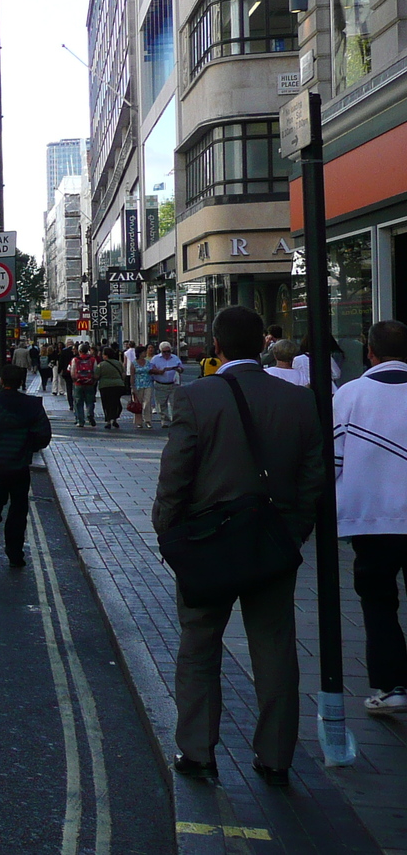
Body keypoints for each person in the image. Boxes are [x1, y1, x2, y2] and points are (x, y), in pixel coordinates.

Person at [153, 305, 323, 786]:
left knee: (200, 646)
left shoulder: (197, 397)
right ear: (264, 345)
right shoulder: (300, 401)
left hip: (208, 545)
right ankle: (275, 758)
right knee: (274, 649)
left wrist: (167, 531)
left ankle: (197, 752)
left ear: (216, 346)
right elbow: (314, 478)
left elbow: (175, 475)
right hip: (271, 543)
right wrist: (294, 532)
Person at [332, 319, 407, 716]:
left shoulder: (350, 394)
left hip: (371, 519)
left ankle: (393, 687)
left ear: (370, 353)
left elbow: (335, 460)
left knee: (379, 604)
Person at [0, 363, 52, 571]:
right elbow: (44, 436)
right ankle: (15, 554)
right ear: (21, 382)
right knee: (18, 511)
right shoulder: (33, 405)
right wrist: (27, 449)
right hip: (19, 468)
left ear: (1, 381)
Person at [147, 341, 185, 425]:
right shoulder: (155, 359)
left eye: (168, 351)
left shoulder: (175, 358)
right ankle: (165, 420)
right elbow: (150, 370)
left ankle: (173, 420)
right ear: (161, 351)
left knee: (174, 403)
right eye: (164, 352)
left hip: (173, 384)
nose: (167, 353)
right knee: (161, 404)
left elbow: (181, 368)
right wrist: (159, 371)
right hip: (160, 384)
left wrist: (178, 369)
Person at [96, 346, 126, 430]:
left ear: (106, 355)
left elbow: (96, 376)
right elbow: (123, 374)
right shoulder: (118, 363)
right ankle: (115, 419)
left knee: (106, 403)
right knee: (116, 402)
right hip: (118, 385)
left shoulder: (101, 365)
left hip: (105, 386)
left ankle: (108, 420)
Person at [71, 343, 98, 427]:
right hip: (89, 383)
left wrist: (75, 380)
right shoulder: (93, 359)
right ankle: (90, 414)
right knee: (90, 401)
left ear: (79, 351)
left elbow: (72, 372)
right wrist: (93, 381)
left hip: (78, 384)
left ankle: (80, 421)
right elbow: (95, 371)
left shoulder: (75, 360)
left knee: (78, 403)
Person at [132, 343, 156, 429]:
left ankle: (148, 420)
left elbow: (151, 371)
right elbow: (132, 375)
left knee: (147, 402)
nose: (145, 353)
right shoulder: (134, 363)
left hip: (148, 383)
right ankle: (139, 422)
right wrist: (132, 387)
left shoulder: (148, 362)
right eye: (143, 352)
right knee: (138, 404)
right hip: (138, 385)